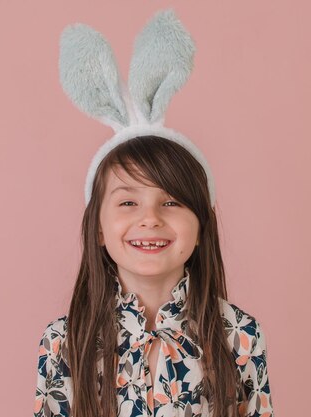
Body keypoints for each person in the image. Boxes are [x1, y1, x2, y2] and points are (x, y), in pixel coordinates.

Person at [34, 9, 274, 417]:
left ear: (201, 227)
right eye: (128, 202)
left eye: (171, 201)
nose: (150, 218)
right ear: (97, 229)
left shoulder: (239, 336)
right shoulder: (64, 341)